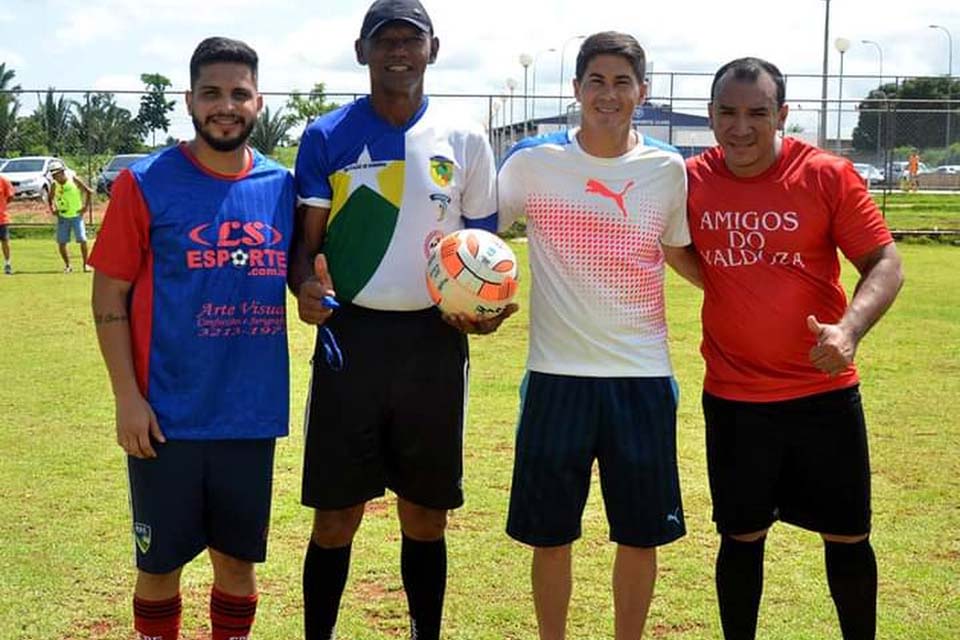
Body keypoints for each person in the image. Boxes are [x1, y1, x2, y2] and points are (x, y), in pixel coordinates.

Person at [289, 1, 514, 638]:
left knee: (425, 515)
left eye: (410, 40)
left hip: (433, 341)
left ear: (432, 50)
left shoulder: (464, 138)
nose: (398, 51)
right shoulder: (326, 135)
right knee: (336, 518)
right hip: (350, 339)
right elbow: (305, 245)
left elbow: (484, 250)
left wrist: (486, 309)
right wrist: (305, 286)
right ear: (361, 51)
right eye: (384, 39)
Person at [686, 57, 904, 640]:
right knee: (740, 536)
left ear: (781, 115)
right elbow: (671, 245)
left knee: (849, 536)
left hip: (822, 394)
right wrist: (724, 282)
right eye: (727, 113)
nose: (740, 128)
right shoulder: (690, 180)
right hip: (734, 398)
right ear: (710, 115)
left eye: (757, 113)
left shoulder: (826, 175)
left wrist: (848, 331)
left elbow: (884, 261)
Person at [89, 36, 295, 640]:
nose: (225, 106)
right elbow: (108, 298)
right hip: (165, 419)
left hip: (250, 417)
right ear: (189, 100)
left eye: (239, 94)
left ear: (258, 102)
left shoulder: (282, 187)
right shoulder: (146, 182)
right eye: (211, 93)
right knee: (159, 567)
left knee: (237, 565)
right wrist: (127, 398)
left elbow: (307, 276)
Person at [498, 32, 702, 640]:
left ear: (642, 91)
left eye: (621, 82)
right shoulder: (532, 163)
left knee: (641, 534)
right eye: (596, 81)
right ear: (576, 89)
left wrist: (747, 293)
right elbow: (478, 233)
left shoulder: (667, 169)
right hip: (555, 377)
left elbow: (678, 251)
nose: (607, 95)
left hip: (641, 378)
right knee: (550, 534)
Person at [47, 160, 92, 273]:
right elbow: (50, 198)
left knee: (82, 240)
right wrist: (53, 209)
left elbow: (88, 191)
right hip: (63, 217)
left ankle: (86, 265)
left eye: (56, 174)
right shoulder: (54, 185)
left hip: (76, 216)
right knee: (62, 242)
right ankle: (68, 266)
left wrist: (85, 207)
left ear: (62, 172)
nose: (54, 177)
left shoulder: (73, 180)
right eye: (53, 175)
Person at [0, 172, 13, 274]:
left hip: (1, 217)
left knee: (5, 241)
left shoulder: (4, 181)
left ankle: (7, 264)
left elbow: (10, 197)